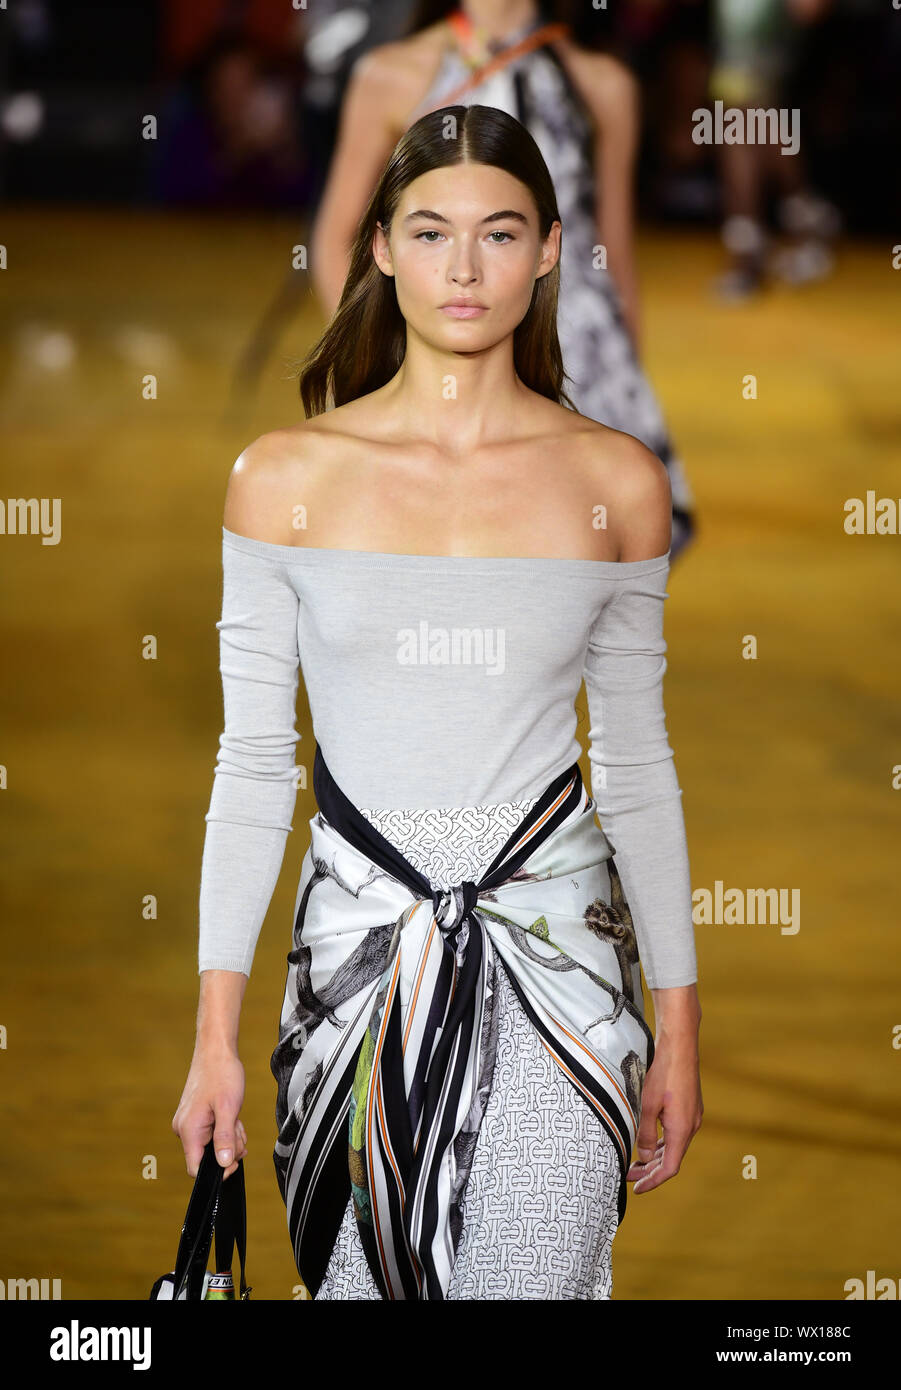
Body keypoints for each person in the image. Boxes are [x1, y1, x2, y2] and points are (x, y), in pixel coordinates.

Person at [173, 102, 702, 1301]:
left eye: (500, 233)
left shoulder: (615, 484)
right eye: (428, 232)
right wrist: (214, 1038)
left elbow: (636, 764)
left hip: (559, 974)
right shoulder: (280, 483)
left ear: (551, 249)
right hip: (350, 974)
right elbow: (253, 766)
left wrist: (679, 1025)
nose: (463, 269)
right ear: (377, 249)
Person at [235, 0, 697, 560]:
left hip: (582, 371)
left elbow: (612, 255)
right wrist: (377, 359)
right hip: (438, 358)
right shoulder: (392, 74)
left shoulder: (603, 84)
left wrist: (625, 397)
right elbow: (336, 237)